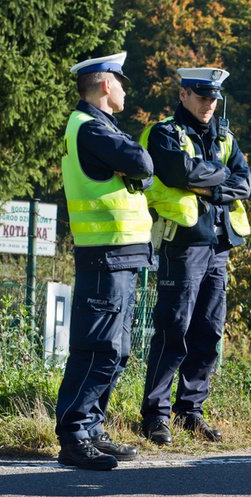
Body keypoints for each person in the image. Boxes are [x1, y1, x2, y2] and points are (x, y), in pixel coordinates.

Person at [139, 67, 251, 444]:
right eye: (202, 97)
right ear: (183, 94)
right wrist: (220, 178)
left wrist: (208, 184)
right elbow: (179, 174)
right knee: (173, 329)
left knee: (208, 332)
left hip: (219, 246)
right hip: (183, 244)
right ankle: (155, 416)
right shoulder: (164, 134)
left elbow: (244, 182)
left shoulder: (225, 137)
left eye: (214, 99)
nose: (209, 105)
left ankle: (190, 412)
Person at [55, 52, 154, 470]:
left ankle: (92, 428)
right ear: (106, 84)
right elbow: (143, 163)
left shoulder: (99, 127)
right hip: (105, 256)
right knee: (97, 349)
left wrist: (136, 169)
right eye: (122, 83)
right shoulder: (91, 128)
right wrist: (135, 168)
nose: (126, 91)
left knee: (116, 351)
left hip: (121, 255)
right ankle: (75, 436)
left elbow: (141, 170)